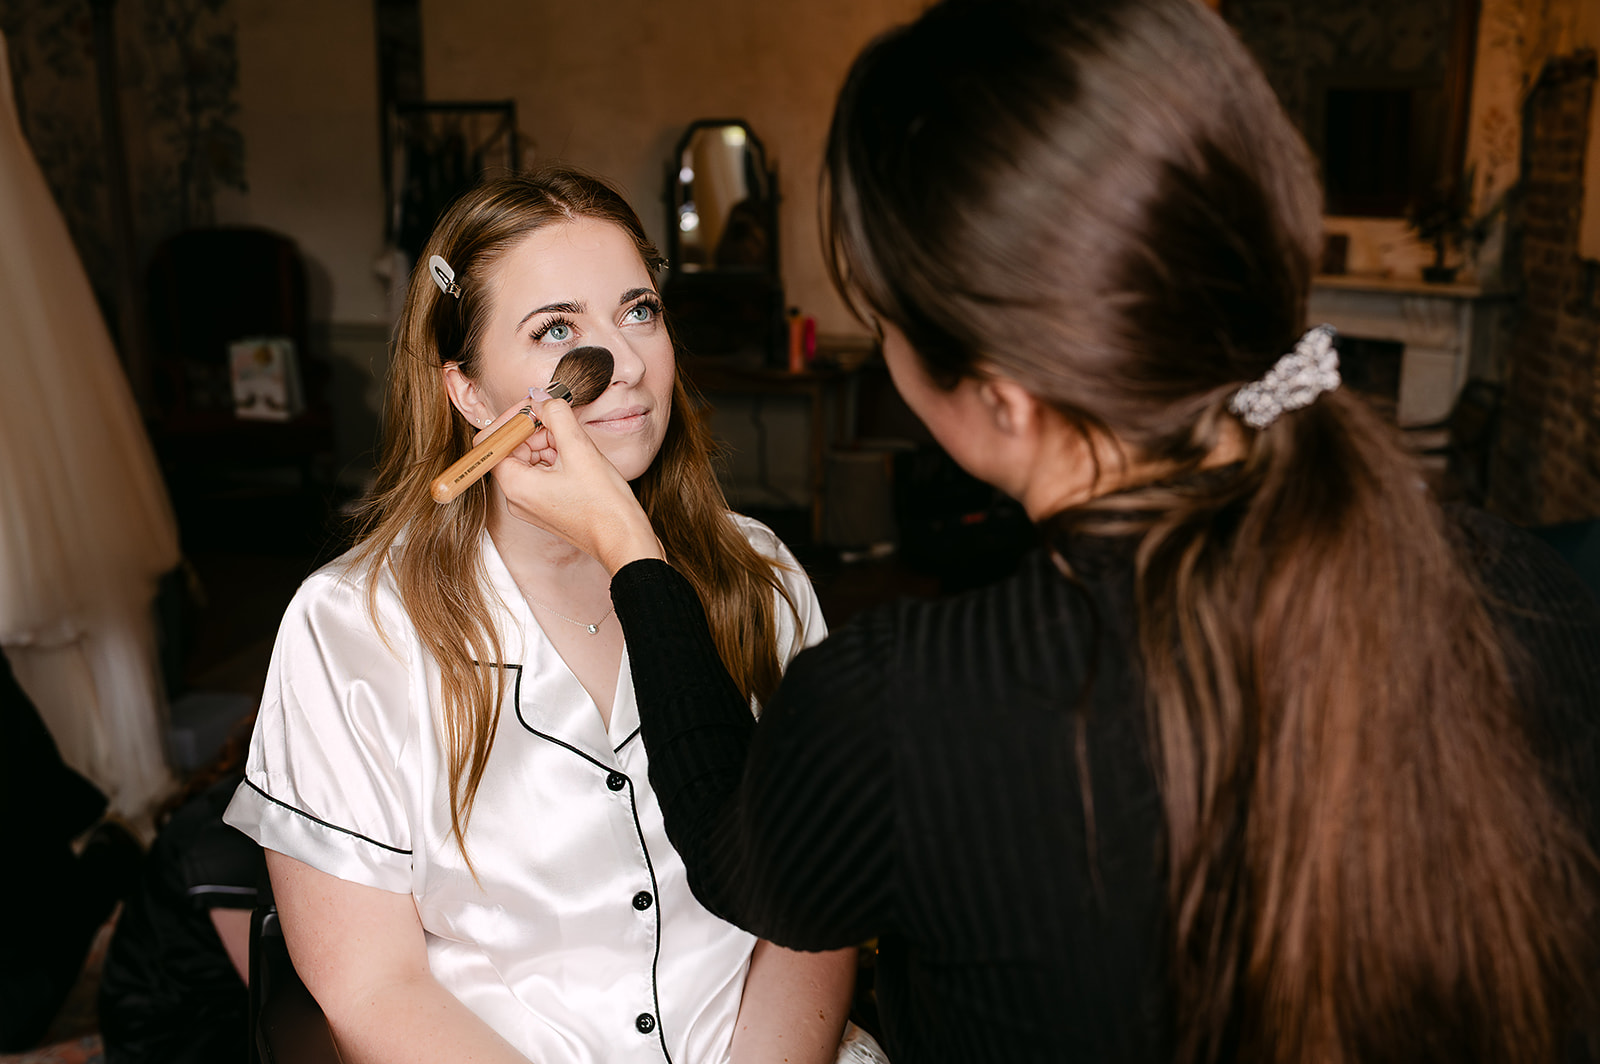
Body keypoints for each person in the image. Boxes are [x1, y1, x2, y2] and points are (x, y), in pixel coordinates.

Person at [490, 2, 1600, 1062]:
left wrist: (635, 552)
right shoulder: (1530, 594)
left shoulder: (902, 715)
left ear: (1001, 399)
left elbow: (743, 860)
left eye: (886, 323)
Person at [223, 168, 876, 1064]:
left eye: (639, 310)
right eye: (559, 329)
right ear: (468, 393)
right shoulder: (350, 627)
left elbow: (818, 900)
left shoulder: (760, 575)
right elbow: (373, 987)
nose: (628, 361)